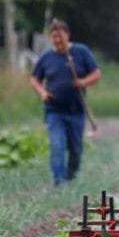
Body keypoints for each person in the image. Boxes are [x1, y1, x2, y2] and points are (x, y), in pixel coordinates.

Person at [30, 19, 101, 186]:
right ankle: (59, 182)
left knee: (76, 149)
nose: (56, 40)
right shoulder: (47, 57)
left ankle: (71, 176)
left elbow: (96, 74)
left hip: (76, 110)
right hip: (54, 110)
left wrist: (83, 83)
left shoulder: (81, 52)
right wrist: (42, 92)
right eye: (53, 37)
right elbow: (34, 79)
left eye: (59, 36)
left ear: (67, 35)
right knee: (57, 145)